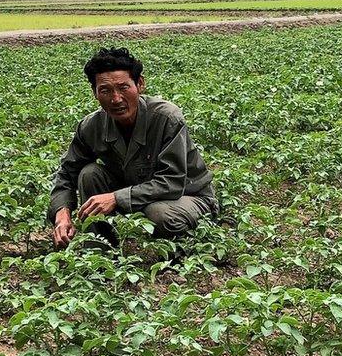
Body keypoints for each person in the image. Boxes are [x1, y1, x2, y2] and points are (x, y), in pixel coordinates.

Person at [49, 47, 218, 249]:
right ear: (94, 92)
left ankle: (181, 252)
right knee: (89, 173)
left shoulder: (166, 118)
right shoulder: (91, 126)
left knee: (159, 214)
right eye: (105, 90)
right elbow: (67, 174)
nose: (116, 98)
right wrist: (62, 212)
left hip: (186, 197)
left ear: (140, 84)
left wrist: (116, 198)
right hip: (136, 194)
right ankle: (100, 249)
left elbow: (172, 182)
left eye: (123, 87)